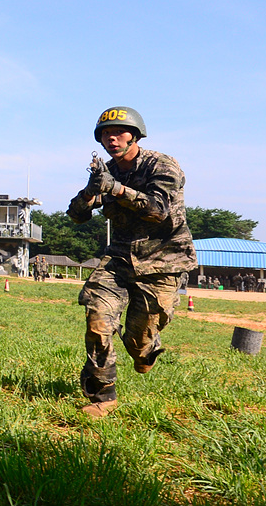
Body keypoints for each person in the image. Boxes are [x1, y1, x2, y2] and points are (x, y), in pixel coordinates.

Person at [67, 107, 196, 419]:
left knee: (139, 342)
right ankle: (102, 395)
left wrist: (115, 189)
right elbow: (76, 215)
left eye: (120, 132)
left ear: (135, 135)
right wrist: (90, 191)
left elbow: (158, 211)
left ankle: (145, 351)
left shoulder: (161, 165)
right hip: (120, 258)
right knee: (98, 319)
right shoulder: (108, 172)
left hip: (163, 261)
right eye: (105, 134)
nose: (112, 138)